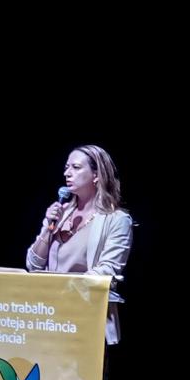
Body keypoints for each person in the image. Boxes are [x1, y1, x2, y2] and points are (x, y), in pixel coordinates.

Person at [27, 144, 132, 345]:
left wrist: (61, 291)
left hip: (86, 319)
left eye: (75, 167)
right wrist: (49, 227)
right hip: (49, 316)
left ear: (96, 175)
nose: (67, 173)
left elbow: (107, 272)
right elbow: (33, 265)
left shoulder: (116, 220)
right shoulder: (60, 212)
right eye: (66, 167)